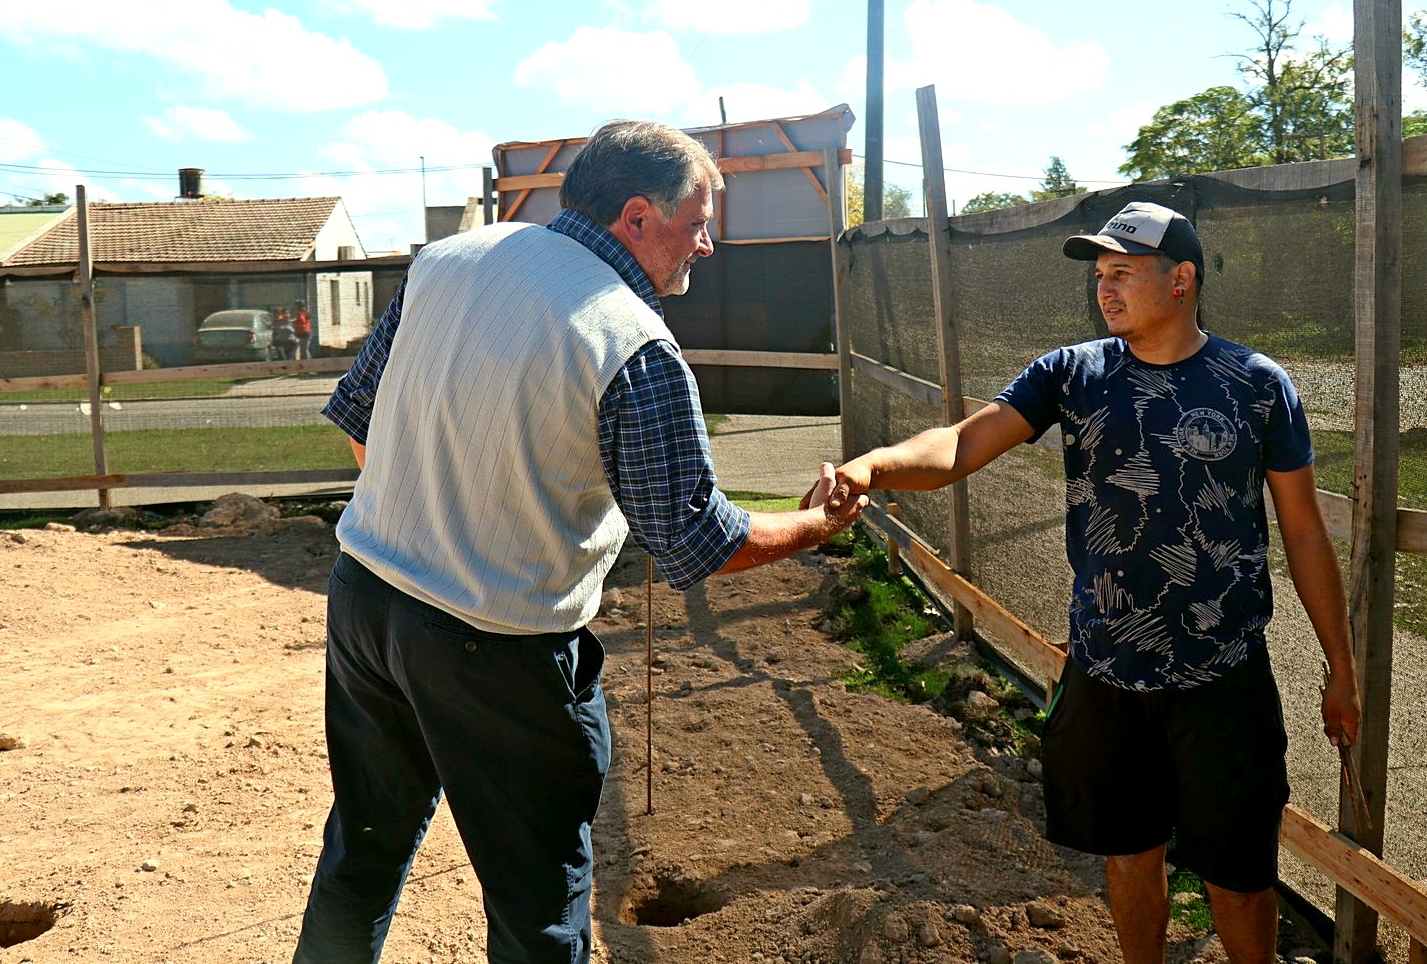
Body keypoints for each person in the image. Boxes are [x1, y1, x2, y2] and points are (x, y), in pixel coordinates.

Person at [293, 119, 868, 964]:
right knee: (539, 906)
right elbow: (696, 543)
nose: (706, 245)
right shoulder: (632, 342)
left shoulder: (452, 260)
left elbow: (358, 419)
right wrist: (818, 523)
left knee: (363, 847)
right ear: (638, 218)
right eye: (699, 220)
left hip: (366, 600)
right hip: (498, 650)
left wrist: (437, 506)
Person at [823, 201, 1361, 964]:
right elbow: (959, 445)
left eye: (1123, 273)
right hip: (1107, 671)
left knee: (1240, 877)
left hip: (1224, 678)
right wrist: (872, 467)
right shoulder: (1071, 375)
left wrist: (1342, 671)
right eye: (1100, 275)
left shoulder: (1256, 385)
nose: (1104, 289)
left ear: (1182, 280)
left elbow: (1304, 531)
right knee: (1128, 856)